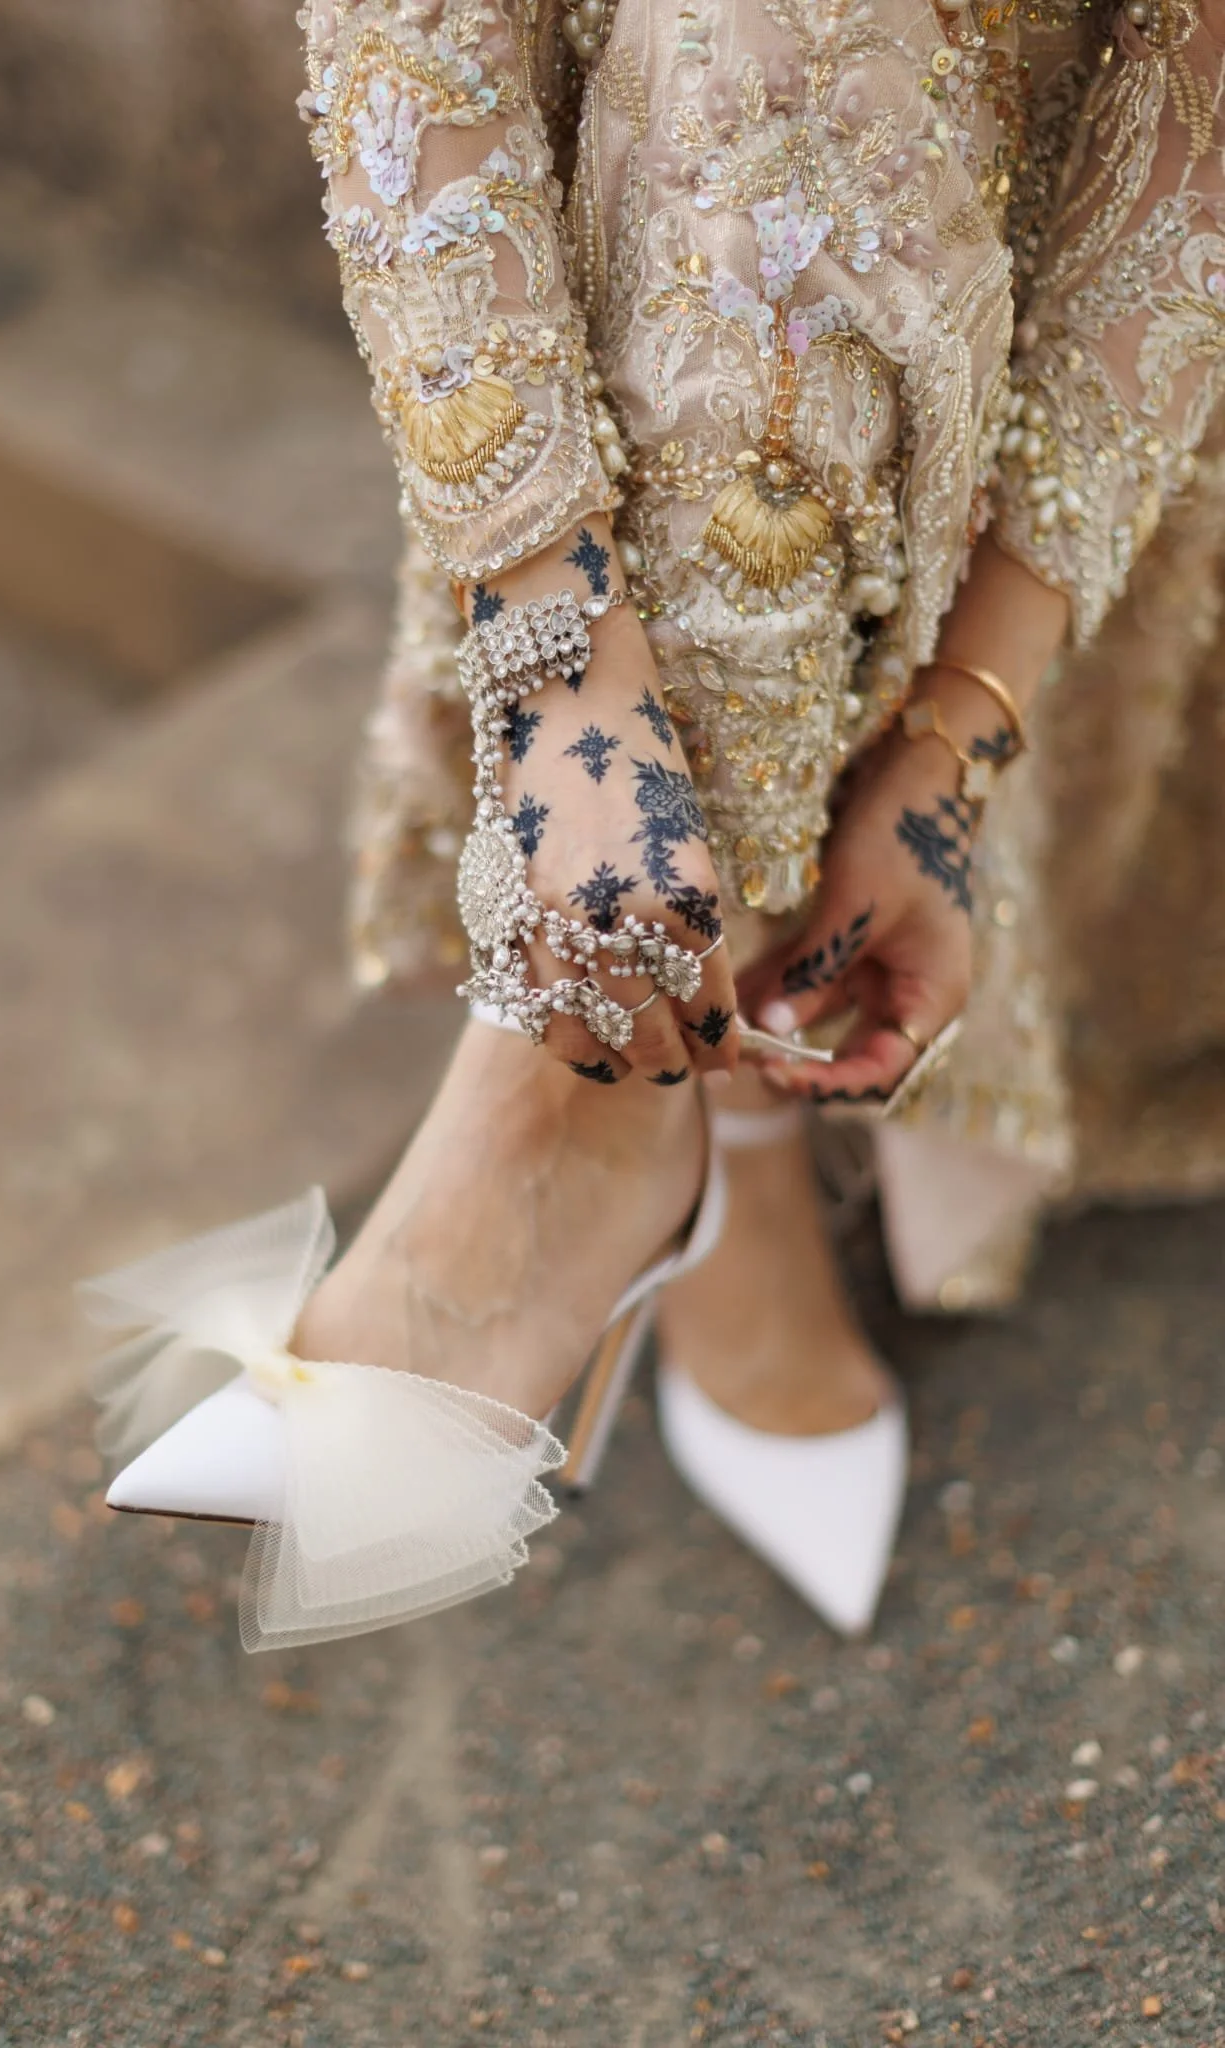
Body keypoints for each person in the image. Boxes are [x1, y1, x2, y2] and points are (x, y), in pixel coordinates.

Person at [85, 0, 1225, 1650]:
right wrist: (562, 673)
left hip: (1038, 251)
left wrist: (958, 738)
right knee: (751, 59)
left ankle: (626, 1099)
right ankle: (621, 1095)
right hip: (640, 131)